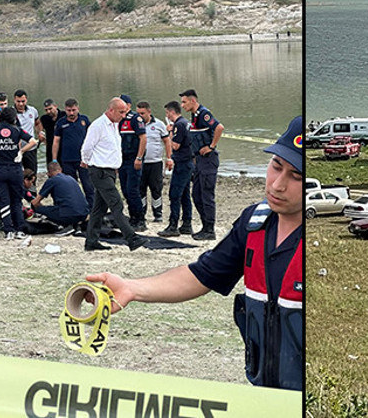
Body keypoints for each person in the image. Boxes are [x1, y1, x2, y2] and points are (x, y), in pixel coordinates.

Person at [86, 116, 303, 390]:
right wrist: (132, 288)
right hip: (264, 389)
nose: (277, 184)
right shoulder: (254, 223)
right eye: (276, 166)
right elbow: (202, 275)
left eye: (296, 176)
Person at [80, 97, 148, 252]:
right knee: (116, 203)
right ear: (111, 110)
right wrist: (87, 162)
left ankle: (91, 241)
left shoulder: (115, 125)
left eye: (125, 112)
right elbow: (87, 147)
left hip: (110, 170)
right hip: (100, 171)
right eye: (121, 112)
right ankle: (132, 238)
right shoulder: (98, 125)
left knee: (99, 208)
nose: (123, 116)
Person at [0, 107, 37, 240]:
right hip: (15, 169)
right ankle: (19, 230)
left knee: (3, 200)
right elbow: (33, 141)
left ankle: (8, 231)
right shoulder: (16, 130)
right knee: (16, 200)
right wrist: (21, 152)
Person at [181, 89, 224, 240]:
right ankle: (205, 226)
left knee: (206, 195)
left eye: (184, 102)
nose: (182, 105)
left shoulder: (204, 114)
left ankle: (210, 230)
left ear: (193, 101)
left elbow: (219, 127)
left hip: (208, 160)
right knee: (196, 194)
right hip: (199, 160)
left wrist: (211, 146)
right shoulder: (194, 116)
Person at [158, 101, 193, 237]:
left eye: (167, 113)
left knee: (175, 194)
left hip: (182, 163)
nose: (167, 116)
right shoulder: (186, 123)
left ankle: (173, 226)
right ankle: (187, 224)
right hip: (188, 161)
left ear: (172, 112)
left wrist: (169, 133)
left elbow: (175, 145)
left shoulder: (179, 124)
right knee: (184, 194)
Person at [52, 99, 94, 211]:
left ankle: (92, 209)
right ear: (65, 110)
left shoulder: (84, 120)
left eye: (73, 110)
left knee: (88, 185)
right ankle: (75, 208)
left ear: (78, 108)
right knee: (71, 186)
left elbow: (92, 138)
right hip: (67, 160)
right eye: (69, 110)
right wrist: (54, 160)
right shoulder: (61, 123)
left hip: (83, 159)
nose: (71, 113)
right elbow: (56, 142)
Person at [136, 101, 172, 224]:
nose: (140, 116)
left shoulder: (159, 124)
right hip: (141, 163)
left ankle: (158, 214)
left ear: (149, 112)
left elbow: (167, 141)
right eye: (138, 113)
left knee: (156, 189)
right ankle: (141, 213)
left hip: (155, 162)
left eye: (142, 113)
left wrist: (169, 158)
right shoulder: (136, 124)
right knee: (140, 189)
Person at [30, 162, 89, 236]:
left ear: (48, 173)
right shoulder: (71, 178)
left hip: (68, 215)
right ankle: (76, 225)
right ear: (60, 169)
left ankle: (66, 226)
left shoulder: (52, 180)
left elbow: (35, 202)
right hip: (84, 214)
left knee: (38, 209)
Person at [117, 95, 148, 231]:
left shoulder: (135, 119)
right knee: (125, 190)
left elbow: (143, 138)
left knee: (132, 190)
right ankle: (132, 217)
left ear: (128, 105)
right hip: (122, 160)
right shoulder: (119, 120)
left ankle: (140, 219)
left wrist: (139, 158)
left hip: (133, 159)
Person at [13, 89, 41, 174]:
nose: (21, 104)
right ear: (14, 100)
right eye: (18, 101)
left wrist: (39, 133)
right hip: (15, 148)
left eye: (23, 101)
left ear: (26, 100)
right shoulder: (10, 112)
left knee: (32, 172)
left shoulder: (33, 110)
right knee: (16, 173)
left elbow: (37, 123)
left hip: (30, 147)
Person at [39, 99, 66, 165]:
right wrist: (41, 135)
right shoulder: (44, 119)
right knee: (51, 167)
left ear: (55, 106)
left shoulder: (64, 116)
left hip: (64, 147)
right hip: (50, 148)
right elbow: (40, 129)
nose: (48, 111)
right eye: (46, 110)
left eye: (50, 109)